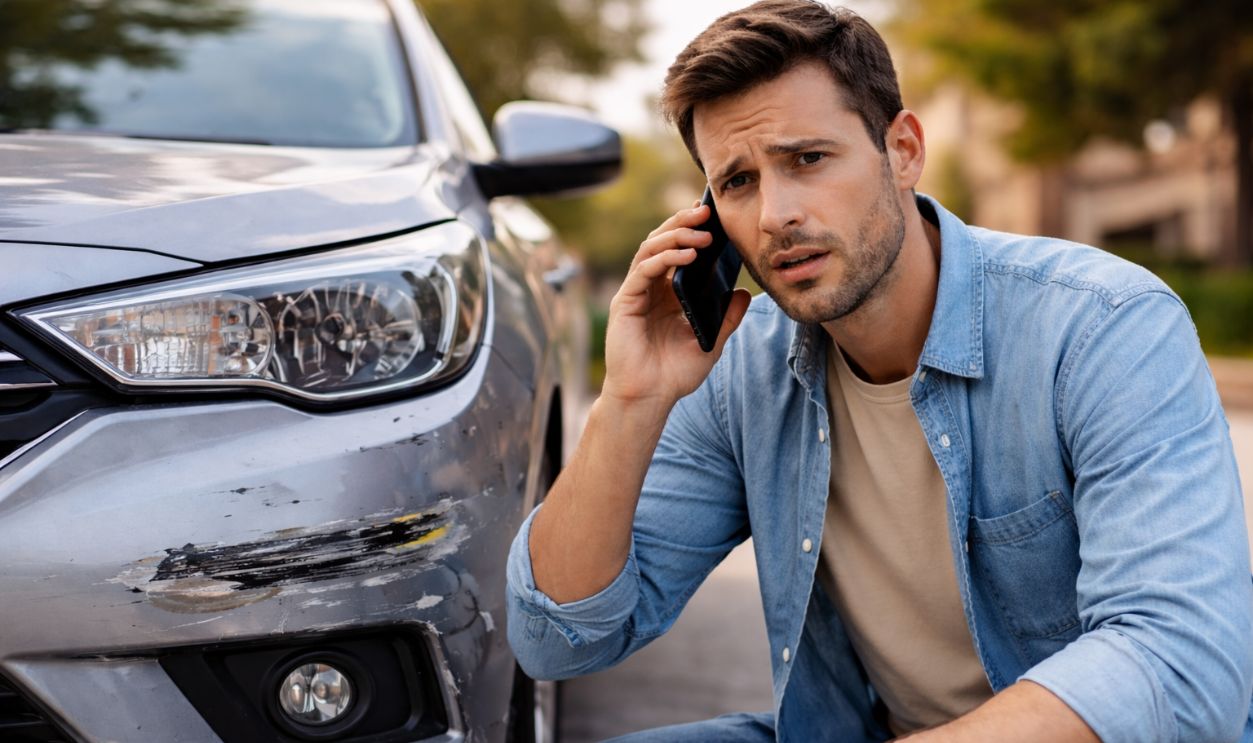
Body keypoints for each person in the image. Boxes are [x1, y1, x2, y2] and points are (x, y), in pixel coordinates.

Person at [505, 1, 1253, 740]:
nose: (774, 214)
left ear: (901, 151)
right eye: (737, 181)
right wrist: (630, 399)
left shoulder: (1100, 325)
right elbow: (557, 639)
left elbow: (1177, 664)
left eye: (807, 159)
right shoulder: (742, 371)